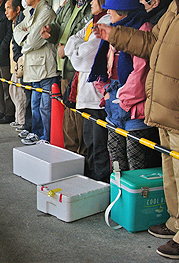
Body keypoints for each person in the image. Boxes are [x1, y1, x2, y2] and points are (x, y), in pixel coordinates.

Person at [94, 0, 179, 259]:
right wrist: (115, 34)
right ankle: (175, 223)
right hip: (164, 111)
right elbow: (151, 45)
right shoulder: (172, 12)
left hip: (176, 109)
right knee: (171, 173)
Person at [89, 0, 160, 172]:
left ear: (123, 10)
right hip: (114, 100)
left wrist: (123, 98)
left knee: (136, 162)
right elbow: (104, 63)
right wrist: (106, 90)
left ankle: (134, 198)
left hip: (135, 107)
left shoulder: (144, 28)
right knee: (116, 157)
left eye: (111, 9)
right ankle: (118, 196)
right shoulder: (113, 28)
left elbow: (142, 72)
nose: (109, 13)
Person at [64, 0, 111, 182]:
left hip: (96, 96)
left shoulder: (106, 22)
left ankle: (100, 183)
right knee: (89, 141)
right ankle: (92, 179)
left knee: (99, 145)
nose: (91, 2)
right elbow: (71, 39)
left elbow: (81, 58)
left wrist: (75, 47)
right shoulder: (92, 22)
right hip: (84, 93)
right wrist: (76, 45)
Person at [40, 0, 93, 157]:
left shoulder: (91, 7)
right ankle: (71, 154)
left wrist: (68, 50)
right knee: (69, 116)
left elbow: (88, 40)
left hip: (78, 70)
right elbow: (57, 26)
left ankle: (81, 157)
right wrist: (51, 32)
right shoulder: (68, 5)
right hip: (64, 68)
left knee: (78, 117)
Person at [13, 0, 58, 144]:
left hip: (45, 67)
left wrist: (25, 43)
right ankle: (37, 133)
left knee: (46, 108)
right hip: (34, 66)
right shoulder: (31, 12)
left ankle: (47, 137)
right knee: (35, 105)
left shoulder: (45, 12)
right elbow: (17, 30)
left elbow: (34, 41)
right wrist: (28, 38)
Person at [5, 0, 28, 131]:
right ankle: (18, 119)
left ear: (17, 9)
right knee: (13, 91)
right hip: (14, 63)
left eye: (8, 8)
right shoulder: (14, 22)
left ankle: (22, 121)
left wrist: (18, 58)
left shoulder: (22, 20)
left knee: (20, 94)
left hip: (20, 63)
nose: (6, 12)